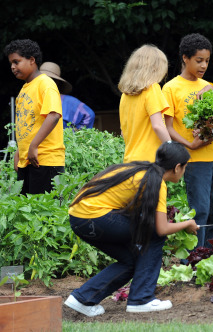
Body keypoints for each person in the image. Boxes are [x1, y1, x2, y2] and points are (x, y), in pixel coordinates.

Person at [64, 142, 199, 316]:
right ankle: (142, 299)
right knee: (153, 235)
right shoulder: (156, 182)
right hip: (94, 217)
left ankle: (83, 298)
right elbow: (161, 229)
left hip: (78, 219)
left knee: (130, 260)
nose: (184, 171)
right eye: (185, 167)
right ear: (177, 167)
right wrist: (187, 224)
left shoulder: (139, 170)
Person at [162, 33, 213, 249]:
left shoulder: (209, 86)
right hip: (194, 159)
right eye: (199, 60)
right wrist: (189, 145)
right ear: (185, 58)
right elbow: (167, 127)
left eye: (207, 61)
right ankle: (197, 256)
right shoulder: (171, 88)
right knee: (201, 210)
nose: (204, 65)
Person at [4, 39, 65, 195]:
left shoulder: (45, 84)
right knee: (29, 211)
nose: (12, 67)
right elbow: (27, 125)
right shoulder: (24, 89)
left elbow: (53, 115)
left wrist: (33, 146)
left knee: (44, 213)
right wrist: (19, 152)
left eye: (16, 62)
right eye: (11, 63)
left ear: (32, 60)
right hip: (28, 160)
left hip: (45, 160)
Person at [118, 44, 172, 163]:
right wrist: (171, 147)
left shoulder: (125, 95)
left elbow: (123, 133)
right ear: (155, 68)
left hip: (129, 161)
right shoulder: (152, 89)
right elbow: (158, 125)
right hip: (149, 162)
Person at [40, 62, 96, 129]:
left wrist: (78, 134)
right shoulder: (32, 98)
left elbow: (89, 115)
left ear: (56, 82)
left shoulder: (68, 102)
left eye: (49, 80)